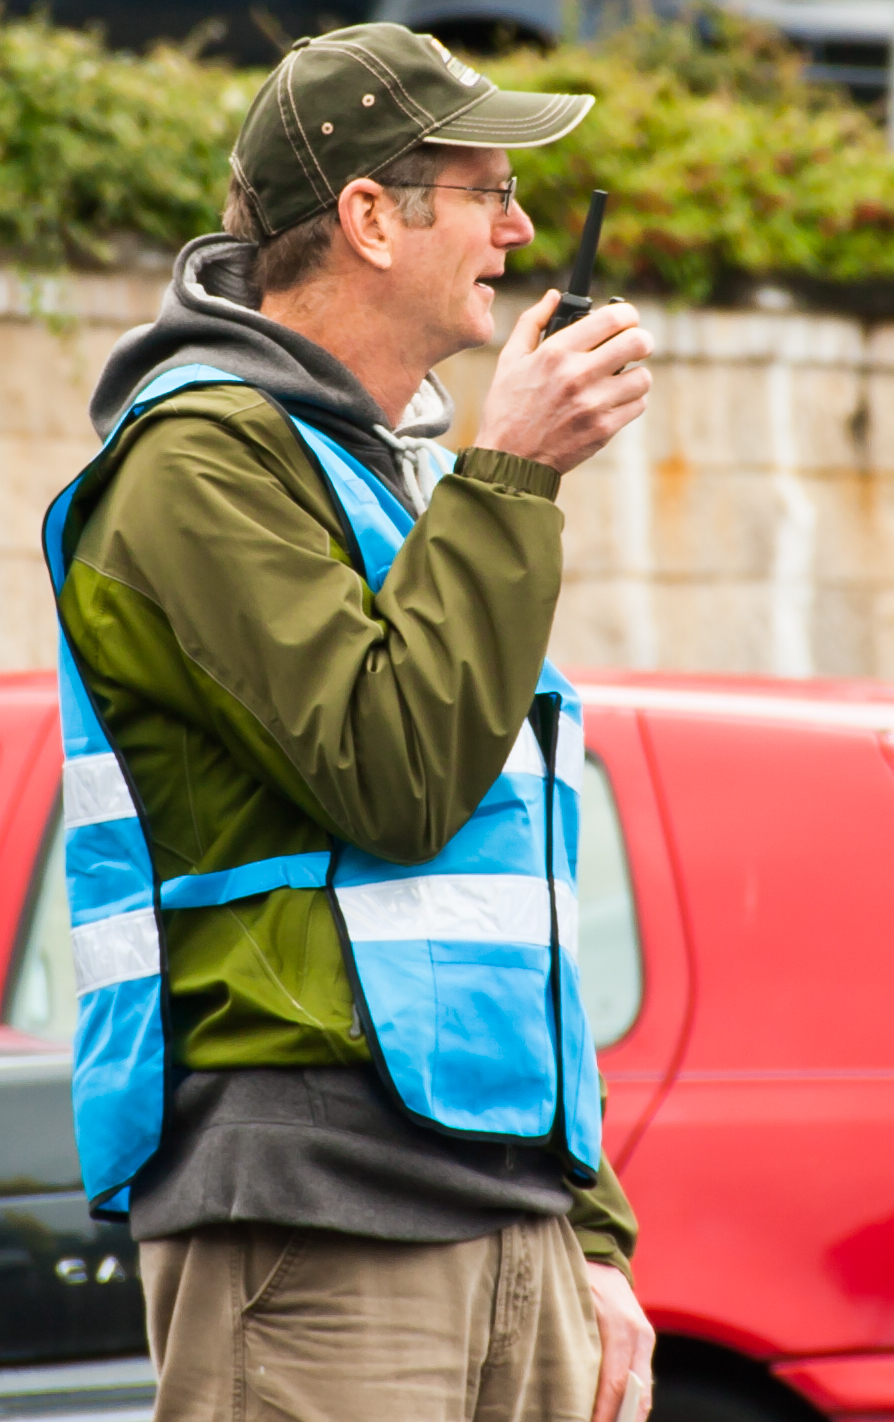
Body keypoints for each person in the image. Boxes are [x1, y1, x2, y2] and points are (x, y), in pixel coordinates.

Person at [46, 22, 655, 1422]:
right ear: (373, 217)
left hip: (504, 1217)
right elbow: (393, 779)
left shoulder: (394, 482)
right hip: (314, 1215)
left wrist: (588, 1229)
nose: (517, 227)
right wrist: (509, 475)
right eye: (483, 188)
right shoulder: (197, 462)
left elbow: (502, 909)